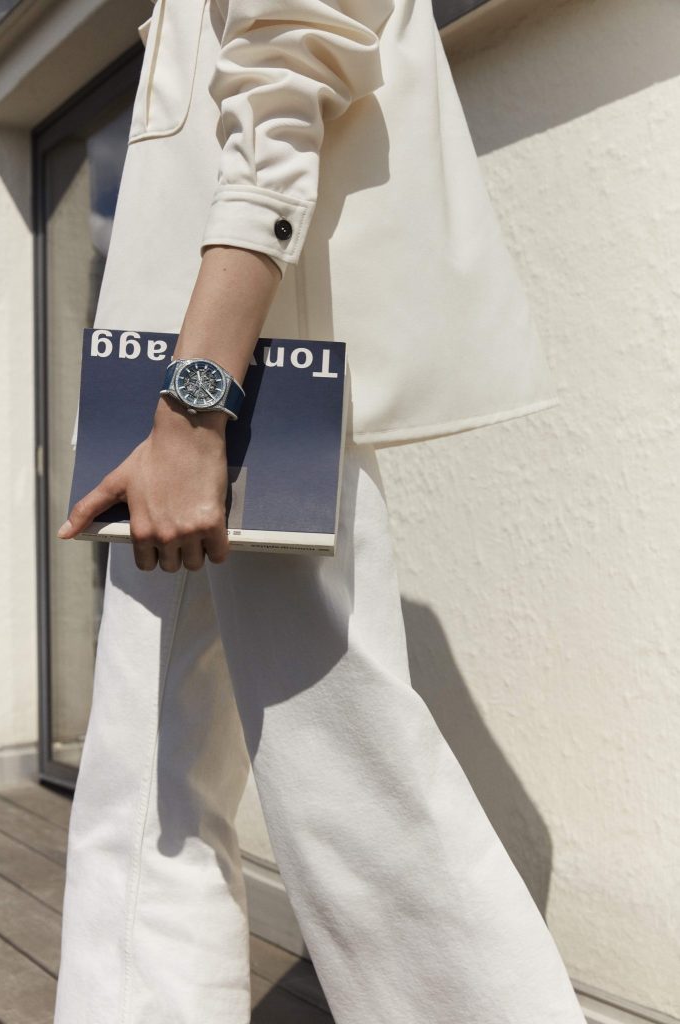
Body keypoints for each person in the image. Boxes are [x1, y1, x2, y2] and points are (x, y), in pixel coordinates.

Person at [53, 1, 587, 1022]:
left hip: (227, 393)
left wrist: (197, 400)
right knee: (150, 781)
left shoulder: (203, 405)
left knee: (349, 783)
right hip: (181, 393)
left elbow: (287, 73)